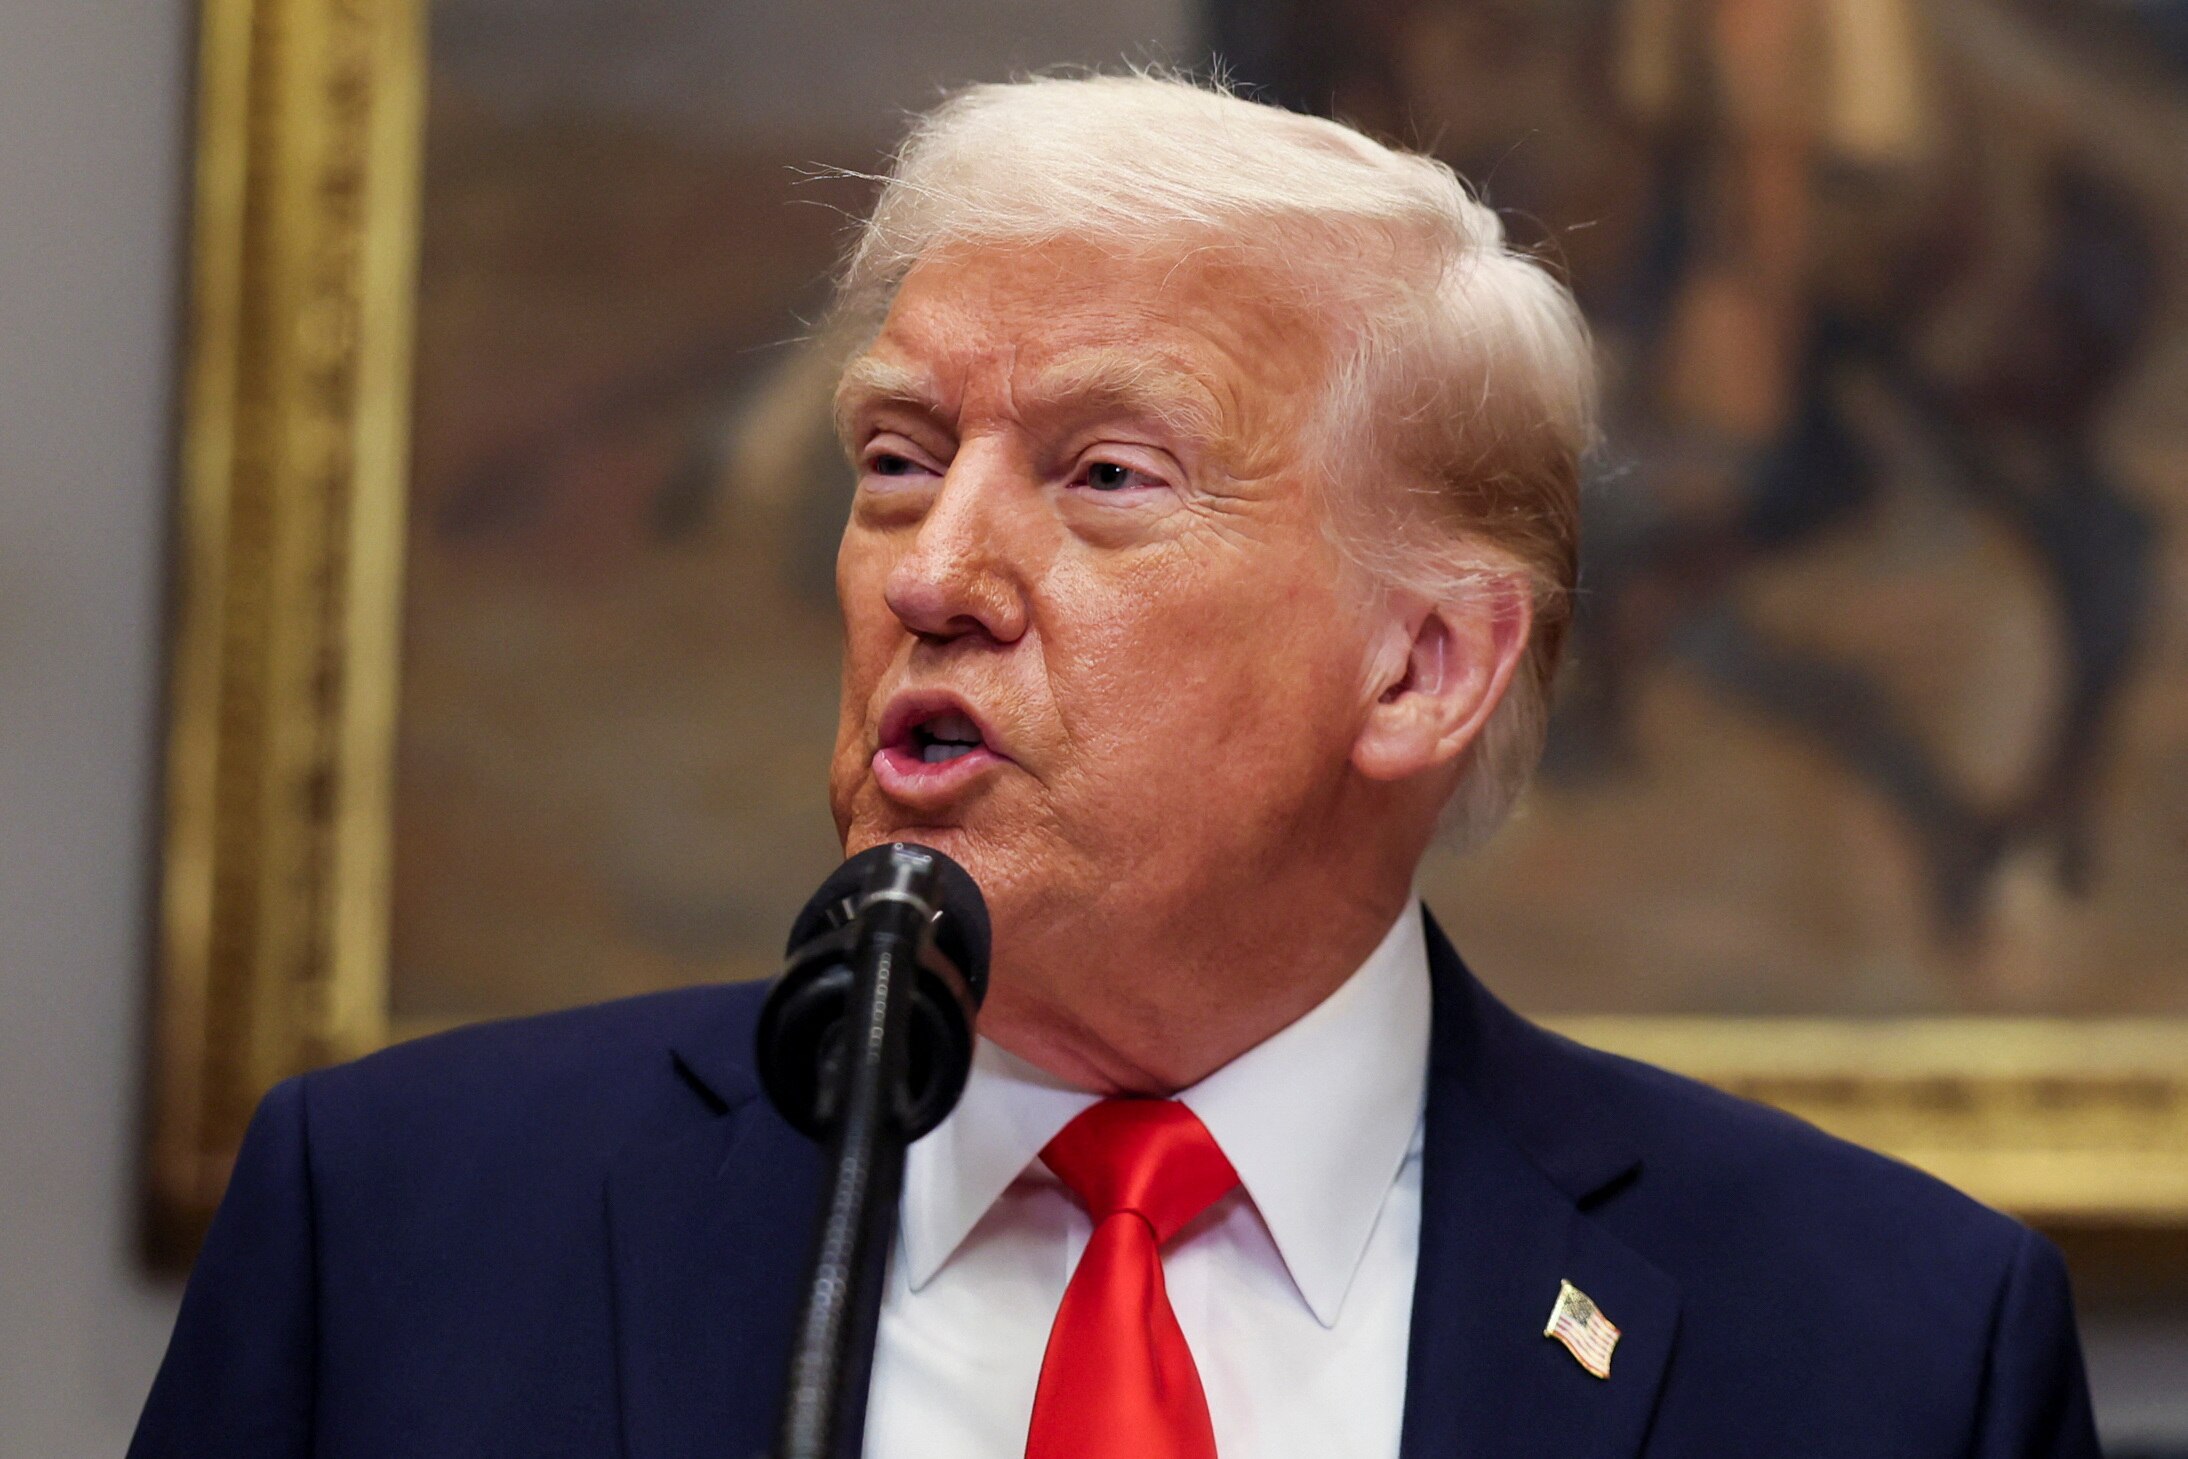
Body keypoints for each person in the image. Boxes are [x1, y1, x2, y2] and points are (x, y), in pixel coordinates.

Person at [131, 73, 2098, 1459]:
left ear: (1421, 663)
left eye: (1104, 477)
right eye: (896, 457)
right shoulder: (400, 1229)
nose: (933, 567)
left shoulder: (1878, 1345)